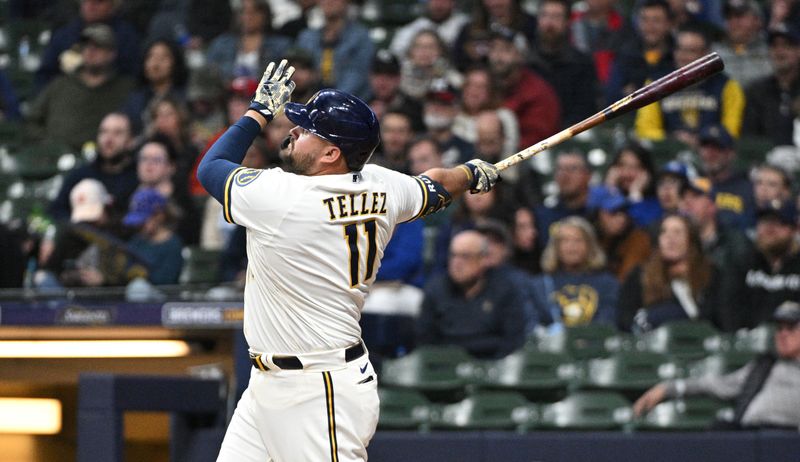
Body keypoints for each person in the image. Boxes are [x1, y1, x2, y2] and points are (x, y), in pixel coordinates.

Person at [197, 60, 500, 461]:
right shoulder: (383, 184)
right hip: (270, 384)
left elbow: (211, 168)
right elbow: (436, 186)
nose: (293, 130)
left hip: (319, 385)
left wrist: (256, 113)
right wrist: (469, 173)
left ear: (331, 153)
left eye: (307, 131)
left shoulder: (282, 197)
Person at [633, 300, 800, 430]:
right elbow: (714, 384)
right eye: (779, 328)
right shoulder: (764, 366)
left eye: (791, 327)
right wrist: (668, 388)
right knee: (719, 430)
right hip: (750, 436)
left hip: (787, 440)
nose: (783, 334)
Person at [416, 229, 527, 358]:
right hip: (446, 365)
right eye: (453, 255)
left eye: (465, 256)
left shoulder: (505, 289)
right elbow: (425, 340)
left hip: (493, 364)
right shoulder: (435, 289)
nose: (457, 263)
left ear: (483, 259)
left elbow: (513, 340)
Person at [25, 24, 136, 151]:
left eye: (98, 46)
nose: (90, 51)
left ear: (112, 54)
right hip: (57, 156)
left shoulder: (126, 88)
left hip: (107, 160)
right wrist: (49, 144)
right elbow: (32, 121)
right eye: (86, 46)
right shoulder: (60, 84)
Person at [634, 25, 745, 146]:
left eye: (691, 51)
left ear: (706, 53)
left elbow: (732, 131)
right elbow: (644, 130)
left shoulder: (728, 86)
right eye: (680, 49)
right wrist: (673, 139)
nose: (683, 56)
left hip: (712, 151)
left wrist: (703, 140)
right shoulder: (655, 84)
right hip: (667, 153)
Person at [617, 213, 727, 332]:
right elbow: (625, 319)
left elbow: (725, 319)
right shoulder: (640, 276)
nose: (670, 238)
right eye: (664, 232)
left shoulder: (712, 275)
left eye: (677, 232)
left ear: (691, 239)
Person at [531, 216, 619, 329]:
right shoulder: (539, 285)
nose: (572, 247)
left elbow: (608, 322)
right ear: (555, 247)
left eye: (578, 240)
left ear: (590, 246)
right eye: (565, 241)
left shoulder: (608, 284)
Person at [49, 112, 139, 222]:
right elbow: (56, 211)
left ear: (131, 141)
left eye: (117, 133)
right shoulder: (81, 174)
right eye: (104, 132)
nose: (108, 139)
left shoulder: (137, 177)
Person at [530, 0, 599, 127]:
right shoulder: (525, 62)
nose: (549, 23)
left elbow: (586, 111)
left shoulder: (582, 64)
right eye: (544, 15)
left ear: (567, 22)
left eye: (556, 17)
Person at [735, 199, 800, 329]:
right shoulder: (743, 263)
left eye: (778, 222)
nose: (769, 229)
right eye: (764, 222)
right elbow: (727, 307)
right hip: (745, 343)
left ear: (794, 229)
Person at [295, 0, 374, 99]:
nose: (329, 2)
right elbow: (299, 71)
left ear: (346, 2)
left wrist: (330, 100)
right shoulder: (307, 37)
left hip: (348, 102)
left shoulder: (360, 37)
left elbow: (356, 76)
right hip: (310, 100)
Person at [741, 23, 800, 146]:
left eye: (787, 45)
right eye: (774, 46)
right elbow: (748, 138)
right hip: (765, 160)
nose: (780, 51)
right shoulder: (756, 91)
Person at [205, 0, 292, 81]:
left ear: (265, 16)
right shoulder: (222, 44)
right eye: (243, 12)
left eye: (253, 13)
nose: (248, 17)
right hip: (226, 94)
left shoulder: (281, 45)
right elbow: (209, 72)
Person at [123, 188, 184, 285]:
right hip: (133, 295)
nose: (139, 225)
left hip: (162, 295)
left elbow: (166, 280)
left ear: (159, 215)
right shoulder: (136, 241)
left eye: (143, 221)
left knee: (138, 287)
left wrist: (142, 273)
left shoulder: (172, 244)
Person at [711, 0, 773, 89]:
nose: (733, 22)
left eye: (739, 16)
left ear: (757, 20)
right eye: (729, 17)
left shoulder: (771, 50)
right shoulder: (713, 53)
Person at [389, 0, 469, 58]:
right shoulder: (412, 29)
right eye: (435, 1)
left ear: (453, 3)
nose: (439, 5)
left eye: (444, 1)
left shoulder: (465, 25)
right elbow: (396, 54)